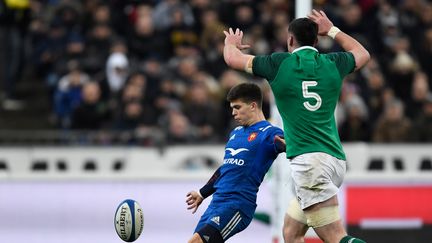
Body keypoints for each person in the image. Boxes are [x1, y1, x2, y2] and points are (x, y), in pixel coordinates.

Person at [223, 10, 370, 243]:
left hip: (310, 164)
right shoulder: (333, 63)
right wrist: (332, 29)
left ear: (290, 40)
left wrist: (231, 43)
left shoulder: (278, 64)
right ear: (317, 40)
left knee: (335, 237)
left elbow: (232, 59)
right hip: (334, 161)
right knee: (291, 232)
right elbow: (362, 54)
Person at [186, 82, 285, 243]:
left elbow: (290, 145)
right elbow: (226, 168)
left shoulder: (269, 133)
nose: (233, 113)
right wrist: (202, 193)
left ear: (253, 106)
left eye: (237, 107)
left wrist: (289, 146)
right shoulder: (236, 133)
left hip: (238, 205)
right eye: (232, 108)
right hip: (216, 203)